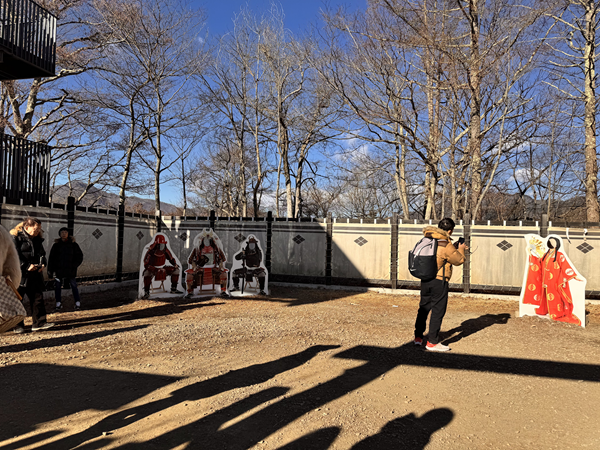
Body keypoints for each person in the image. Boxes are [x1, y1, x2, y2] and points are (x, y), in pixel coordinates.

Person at [413, 218, 466, 352]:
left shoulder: (427, 239)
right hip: (439, 280)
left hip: (425, 278)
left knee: (424, 308)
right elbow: (459, 260)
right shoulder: (445, 243)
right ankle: (432, 342)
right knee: (438, 310)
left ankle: (418, 337)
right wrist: (461, 249)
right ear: (449, 230)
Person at [10, 218, 55, 332]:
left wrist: (43, 263)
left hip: (35, 273)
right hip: (19, 275)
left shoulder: (37, 239)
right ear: (26, 227)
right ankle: (17, 326)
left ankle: (39, 323)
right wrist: (26, 266)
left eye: (39, 229)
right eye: (35, 229)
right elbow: (13, 255)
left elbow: (42, 253)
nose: (38, 231)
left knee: (37, 298)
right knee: (17, 300)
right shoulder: (15, 238)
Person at [47, 227, 84, 310]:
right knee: (57, 286)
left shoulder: (74, 245)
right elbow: (51, 258)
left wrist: (74, 266)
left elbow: (79, 256)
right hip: (59, 270)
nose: (63, 234)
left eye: (65, 232)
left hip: (70, 270)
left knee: (74, 286)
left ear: (68, 234)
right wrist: (50, 271)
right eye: (62, 232)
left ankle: (77, 302)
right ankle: (58, 303)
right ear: (59, 234)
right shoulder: (56, 245)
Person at [186, 230, 228, 298]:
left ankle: (223, 291)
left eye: (208, 239)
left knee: (223, 274)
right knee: (190, 275)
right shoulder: (197, 249)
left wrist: (220, 264)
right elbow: (190, 260)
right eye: (205, 239)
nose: (207, 241)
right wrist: (194, 264)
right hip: (200, 269)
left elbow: (223, 258)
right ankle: (190, 291)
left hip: (213, 268)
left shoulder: (217, 249)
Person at [141, 234, 182, 299]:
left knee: (176, 270)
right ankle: (146, 292)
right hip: (152, 269)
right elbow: (146, 265)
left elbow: (171, 258)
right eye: (160, 244)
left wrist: (175, 264)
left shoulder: (165, 250)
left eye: (163, 244)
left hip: (163, 267)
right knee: (147, 273)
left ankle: (173, 289)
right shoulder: (151, 252)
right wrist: (155, 270)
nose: (162, 246)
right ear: (156, 244)